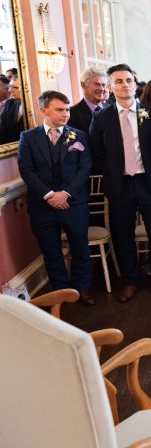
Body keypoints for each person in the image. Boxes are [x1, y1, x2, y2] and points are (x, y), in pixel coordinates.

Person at [90, 64, 151, 303]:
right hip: (120, 184)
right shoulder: (102, 117)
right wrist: (114, 171)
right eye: (119, 81)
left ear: (135, 84)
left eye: (128, 80)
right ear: (111, 86)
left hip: (149, 181)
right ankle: (130, 280)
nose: (124, 85)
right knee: (122, 234)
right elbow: (97, 151)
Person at [17, 91, 94, 305]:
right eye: (60, 109)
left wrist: (65, 193)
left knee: (80, 247)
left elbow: (84, 167)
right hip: (42, 206)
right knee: (51, 252)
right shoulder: (28, 138)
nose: (66, 114)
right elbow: (27, 171)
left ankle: (82, 289)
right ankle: (61, 292)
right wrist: (50, 195)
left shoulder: (79, 136)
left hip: (74, 203)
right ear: (44, 110)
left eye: (67, 109)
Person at [69, 68, 110, 134]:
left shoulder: (112, 109)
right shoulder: (71, 114)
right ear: (83, 85)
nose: (102, 89)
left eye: (103, 85)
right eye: (97, 84)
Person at [0, 77, 25, 143]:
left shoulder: (35, 107)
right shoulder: (9, 104)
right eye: (10, 86)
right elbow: (2, 129)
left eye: (15, 87)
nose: (10, 90)